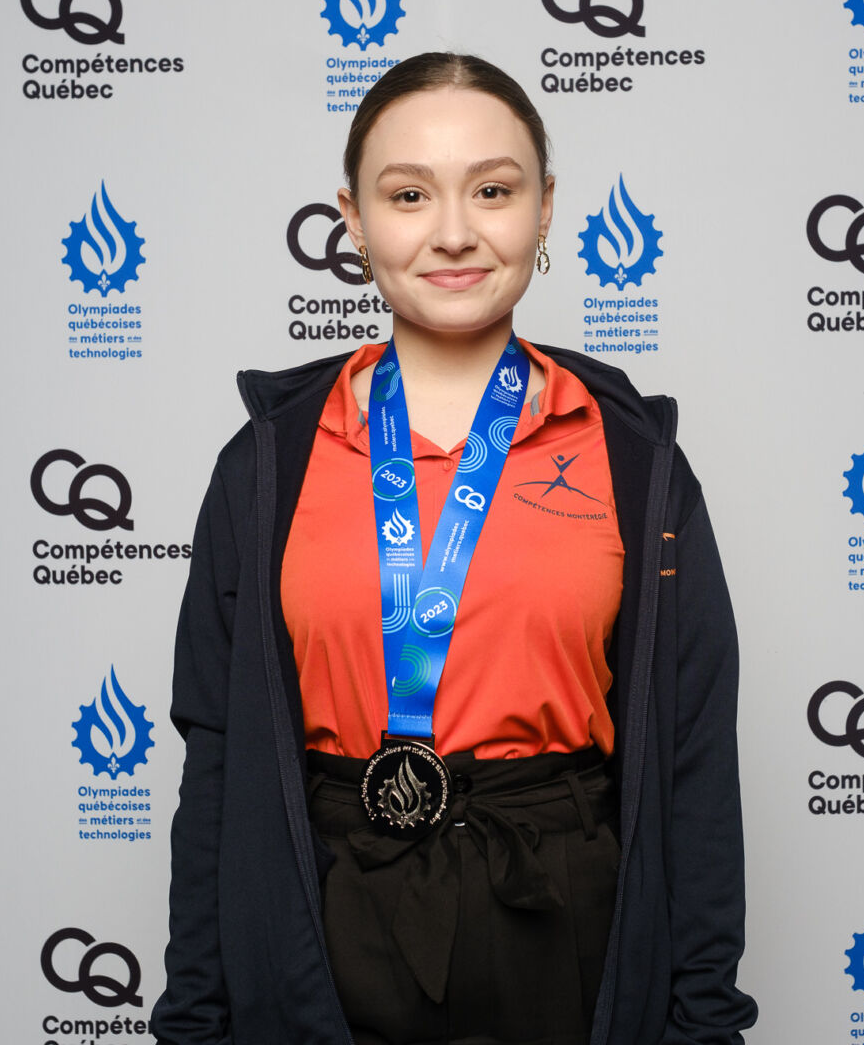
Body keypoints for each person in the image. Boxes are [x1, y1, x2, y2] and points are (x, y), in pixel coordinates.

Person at [150, 52, 756, 1045]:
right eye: (408, 194)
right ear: (352, 218)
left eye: (493, 189)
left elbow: (692, 765)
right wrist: (198, 1017)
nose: (455, 231)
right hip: (328, 915)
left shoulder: (633, 461)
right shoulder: (267, 465)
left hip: (563, 922)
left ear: (546, 208)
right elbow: (217, 763)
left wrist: (701, 1022)